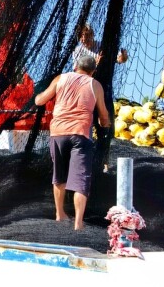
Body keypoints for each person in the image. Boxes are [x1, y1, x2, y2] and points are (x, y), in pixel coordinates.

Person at [35, 55, 110, 230]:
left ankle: (59, 214)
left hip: (58, 132)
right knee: (80, 180)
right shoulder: (95, 85)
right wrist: (104, 123)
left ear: (75, 66)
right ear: (93, 71)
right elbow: (104, 115)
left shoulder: (61, 78)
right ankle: (78, 223)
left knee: (59, 176)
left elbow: (40, 100)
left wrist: (39, 95)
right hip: (80, 134)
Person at [73, 23, 128, 174]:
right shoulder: (78, 51)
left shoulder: (101, 46)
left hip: (103, 91)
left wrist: (122, 58)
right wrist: (94, 65)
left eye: (88, 35)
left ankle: (104, 163)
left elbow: (117, 59)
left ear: (92, 34)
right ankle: (85, 162)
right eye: (82, 36)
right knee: (86, 128)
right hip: (87, 93)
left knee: (105, 128)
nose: (85, 38)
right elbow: (78, 74)